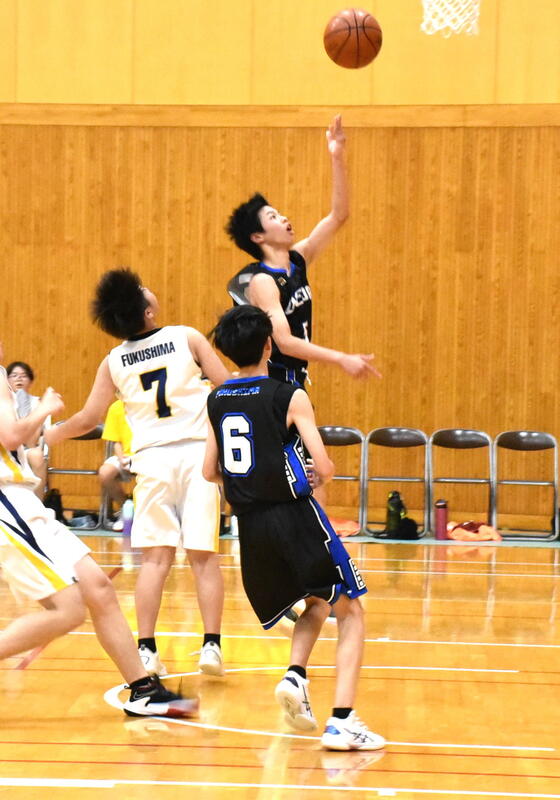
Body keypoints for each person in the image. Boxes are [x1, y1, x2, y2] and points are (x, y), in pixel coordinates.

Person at [203, 305, 385, 751]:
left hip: (250, 528)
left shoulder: (216, 399)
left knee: (317, 602)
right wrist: (316, 472)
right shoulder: (288, 395)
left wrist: (251, 482)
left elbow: (210, 471)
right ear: (269, 344)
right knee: (352, 611)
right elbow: (324, 466)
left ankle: (295, 674)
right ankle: (342, 721)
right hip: (295, 519)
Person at [46, 268, 230, 678]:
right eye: (144, 290)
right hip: (199, 456)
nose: (149, 289)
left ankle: (146, 650)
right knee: (203, 558)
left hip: (151, 461)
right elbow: (226, 387)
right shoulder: (186, 337)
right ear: (147, 311)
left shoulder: (113, 361)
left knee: (155, 559)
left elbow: (88, 418)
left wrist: (53, 432)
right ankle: (212, 647)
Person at [0, 362, 195, 718]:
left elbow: (22, 441)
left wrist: (50, 423)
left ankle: (143, 690)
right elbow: (11, 437)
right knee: (69, 609)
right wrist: (43, 408)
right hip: (7, 502)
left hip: (22, 499)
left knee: (99, 588)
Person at [225, 115, 381, 524]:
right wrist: (341, 358)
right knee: (312, 475)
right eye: (272, 217)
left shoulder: (298, 260)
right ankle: (311, 552)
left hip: (293, 382)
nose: (283, 218)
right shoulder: (262, 282)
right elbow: (284, 342)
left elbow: (339, 215)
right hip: (274, 384)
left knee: (312, 476)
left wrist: (337, 155)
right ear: (258, 237)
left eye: (280, 213)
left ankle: (311, 552)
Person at [6, 361, 49, 499]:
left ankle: (39, 505)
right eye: (14, 375)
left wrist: (22, 400)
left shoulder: (39, 403)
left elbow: (30, 442)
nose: (19, 379)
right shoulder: (3, 403)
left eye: (23, 376)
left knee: (37, 455)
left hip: (26, 448)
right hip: (5, 450)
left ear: (30, 381)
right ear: (6, 381)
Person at [99, 398, 134, 531]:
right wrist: (122, 459)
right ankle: (126, 508)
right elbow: (115, 441)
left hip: (148, 454)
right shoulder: (116, 407)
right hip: (125, 455)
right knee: (105, 472)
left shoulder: (148, 404)